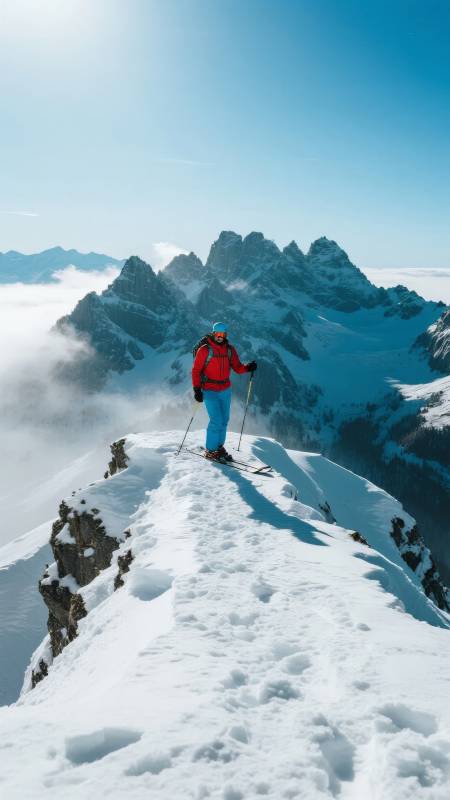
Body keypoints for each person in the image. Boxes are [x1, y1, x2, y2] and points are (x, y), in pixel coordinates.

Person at [192, 321, 257, 461]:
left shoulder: (230, 350)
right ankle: (210, 450)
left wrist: (248, 368)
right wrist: (197, 389)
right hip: (209, 390)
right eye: (217, 334)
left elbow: (238, 367)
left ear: (225, 335)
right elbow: (196, 371)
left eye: (222, 334)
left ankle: (219, 447)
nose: (220, 336)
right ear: (213, 333)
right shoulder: (204, 350)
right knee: (216, 420)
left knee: (224, 420)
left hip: (225, 390)